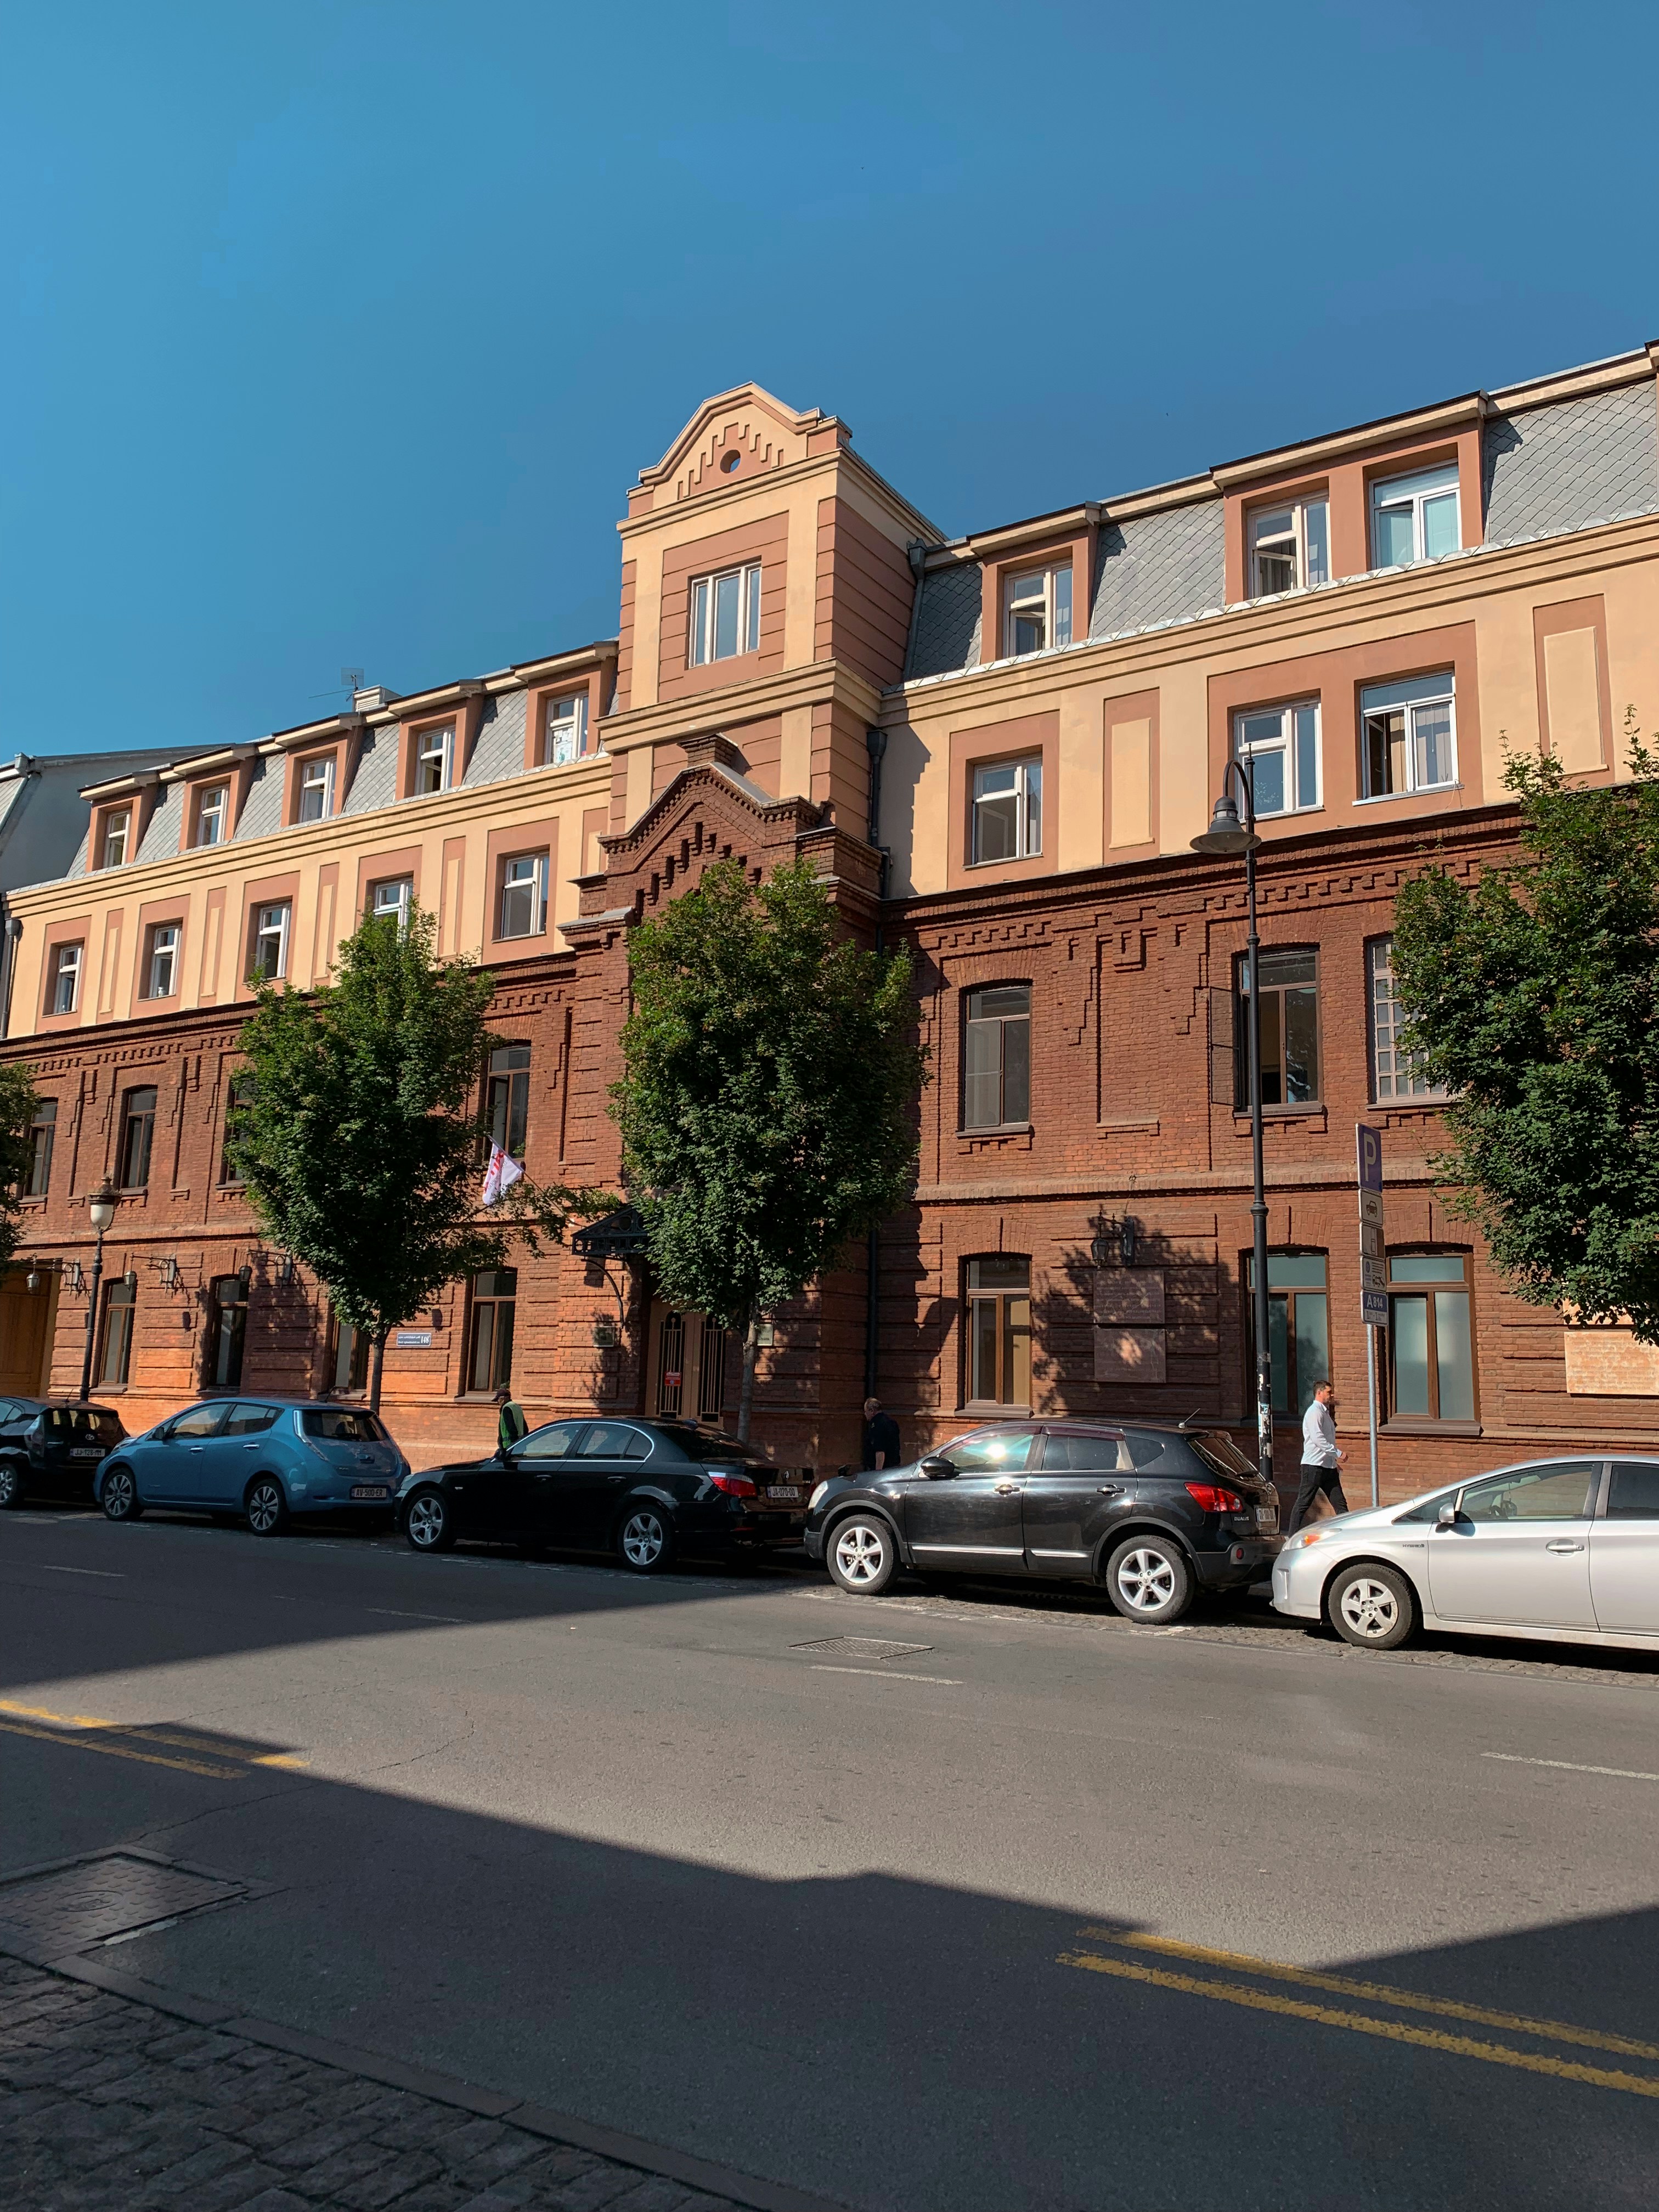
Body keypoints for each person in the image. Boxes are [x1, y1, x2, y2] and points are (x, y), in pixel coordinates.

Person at [1291, 1380, 1348, 1530]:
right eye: (1329, 1392)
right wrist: (1338, 1453)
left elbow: (1326, 1439)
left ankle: (1348, 1534)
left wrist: (1334, 1460)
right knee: (1304, 1503)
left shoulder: (1324, 1413)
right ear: (1319, 1393)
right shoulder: (1314, 1412)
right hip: (1313, 1467)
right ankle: (1291, 1537)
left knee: (1340, 1504)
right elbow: (1318, 1438)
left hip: (1328, 1467)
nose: (1332, 1395)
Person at [861, 1396, 901, 1471]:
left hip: (883, 1468)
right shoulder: (891, 1422)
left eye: (866, 1412)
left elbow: (880, 1451)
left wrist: (878, 1472)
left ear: (872, 1411)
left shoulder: (876, 1424)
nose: (865, 1414)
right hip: (894, 1466)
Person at [495, 1387, 529, 1454]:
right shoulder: (517, 1407)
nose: (498, 1402)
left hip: (509, 1446)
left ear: (503, 1399)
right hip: (520, 1444)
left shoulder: (506, 1409)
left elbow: (511, 1428)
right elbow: (525, 1428)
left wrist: (513, 1445)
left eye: (498, 1400)